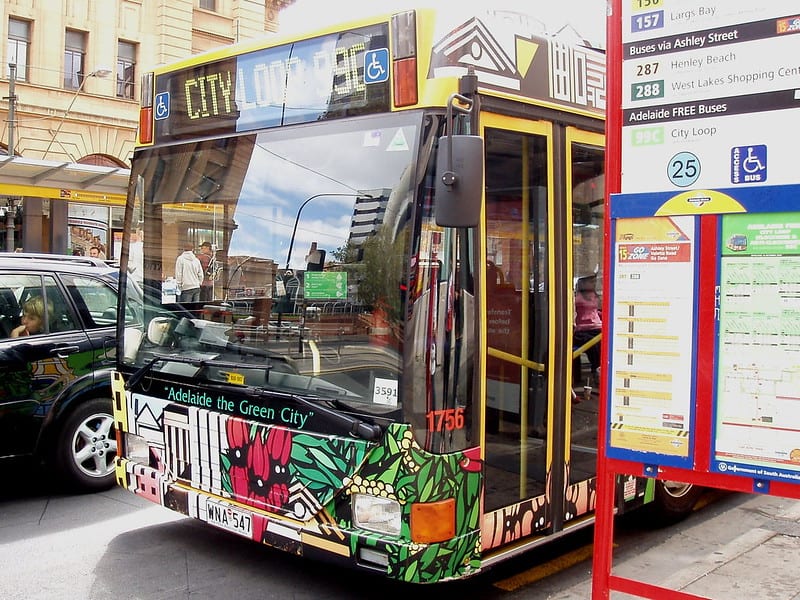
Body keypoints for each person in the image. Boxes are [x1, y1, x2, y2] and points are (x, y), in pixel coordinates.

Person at [574, 274, 602, 385]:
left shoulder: (595, 295)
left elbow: (596, 310)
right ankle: (596, 369)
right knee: (593, 344)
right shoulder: (578, 297)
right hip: (583, 328)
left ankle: (599, 369)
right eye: (591, 282)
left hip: (597, 326)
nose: (594, 284)